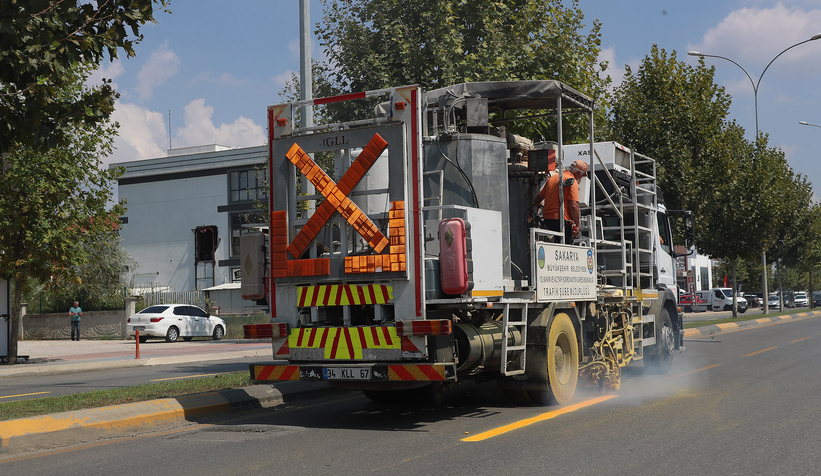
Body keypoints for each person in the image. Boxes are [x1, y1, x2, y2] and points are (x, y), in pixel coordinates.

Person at [534, 159, 588, 244]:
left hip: (547, 219)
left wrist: (538, 204)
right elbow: (574, 206)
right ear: (578, 173)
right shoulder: (572, 181)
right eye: (581, 176)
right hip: (562, 219)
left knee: (555, 241)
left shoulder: (552, 179)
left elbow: (537, 200)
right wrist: (577, 225)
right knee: (566, 244)